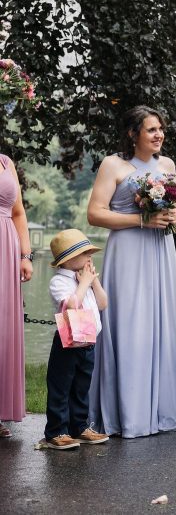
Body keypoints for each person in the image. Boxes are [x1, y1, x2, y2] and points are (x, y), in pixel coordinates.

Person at [87, 106, 176, 437]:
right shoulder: (113, 165)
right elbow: (95, 213)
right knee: (130, 325)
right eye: (151, 129)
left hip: (161, 251)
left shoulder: (167, 166)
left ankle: (162, 413)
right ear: (133, 134)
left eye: (160, 129)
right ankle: (127, 415)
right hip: (129, 251)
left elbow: (175, 209)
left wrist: (175, 216)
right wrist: (140, 220)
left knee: (159, 323)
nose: (159, 134)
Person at [40, 229, 110, 450]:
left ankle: (78, 427)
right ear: (69, 259)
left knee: (81, 387)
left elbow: (103, 304)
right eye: (85, 253)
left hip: (88, 342)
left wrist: (93, 283)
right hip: (67, 344)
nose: (90, 257)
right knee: (61, 387)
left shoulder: (84, 279)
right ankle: (56, 432)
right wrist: (83, 283)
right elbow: (71, 305)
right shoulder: (59, 282)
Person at [0, 152, 33, 439]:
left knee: (3, 330)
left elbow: (18, 212)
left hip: (6, 248)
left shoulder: (5, 162)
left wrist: (25, 255)